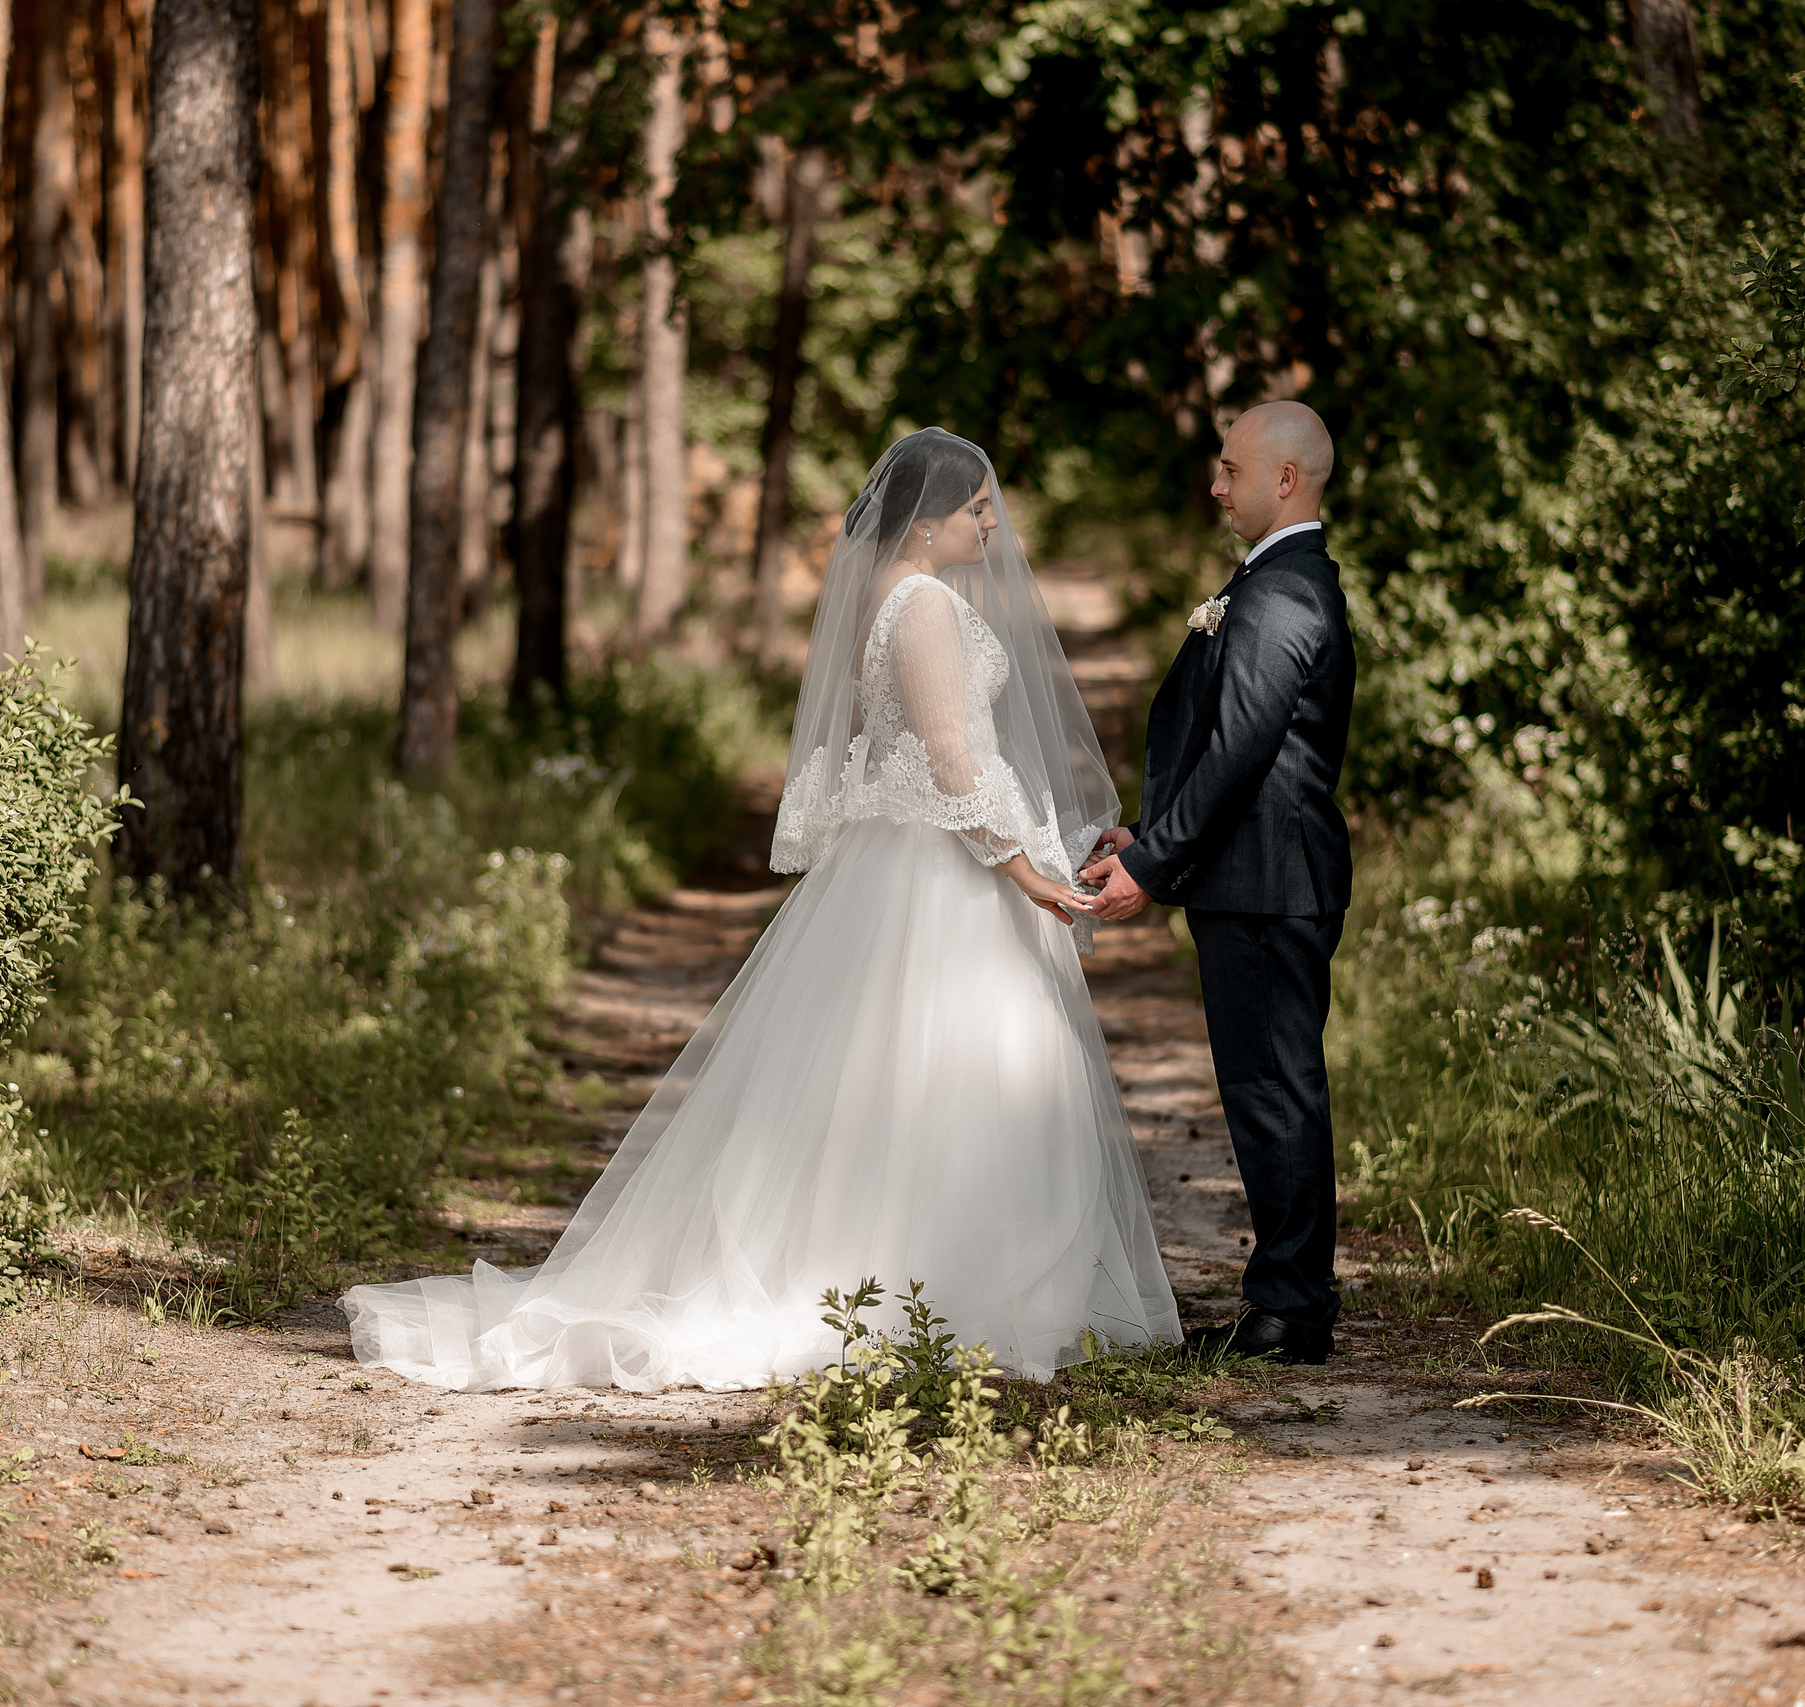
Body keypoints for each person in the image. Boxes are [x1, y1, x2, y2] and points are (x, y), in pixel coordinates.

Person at [340, 428, 1180, 1391]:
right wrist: (1020, 864)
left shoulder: (889, 599)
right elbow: (953, 758)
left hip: (905, 864)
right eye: (974, 508)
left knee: (893, 1071)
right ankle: (940, 1278)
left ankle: (925, 1271)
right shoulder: (926, 609)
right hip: (941, 875)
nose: (992, 523)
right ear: (923, 524)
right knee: (943, 1061)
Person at [1079, 401, 1355, 1367]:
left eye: (1231, 468)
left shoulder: (1282, 592)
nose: (1215, 482)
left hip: (1271, 882)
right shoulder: (1274, 581)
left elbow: (1240, 752)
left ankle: (1290, 1311)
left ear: (1286, 479)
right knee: (1265, 1090)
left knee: (1276, 1091)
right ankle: (1286, 1295)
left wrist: (1151, 870)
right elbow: (1233, 743)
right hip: (1255, 878)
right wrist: (1150, 833)